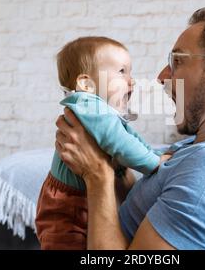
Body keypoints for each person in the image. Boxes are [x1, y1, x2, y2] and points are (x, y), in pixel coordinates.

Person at [55, 8, 205, 249]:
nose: (161, 77)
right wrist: (114, 165)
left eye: (178, 61)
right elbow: (138, 209)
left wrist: (97, 174)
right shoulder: (195, 147)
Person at [35, 36, 171, 250]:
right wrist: (153, 162)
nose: (131, 80)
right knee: (65, 241)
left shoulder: (104, 111)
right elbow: (117, 141)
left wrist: (153, 154)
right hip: (67, 201)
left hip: (82, 195)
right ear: (86, 84)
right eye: (122, 72)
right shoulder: (87, 104)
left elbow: (127, 138)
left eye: (130, 72)